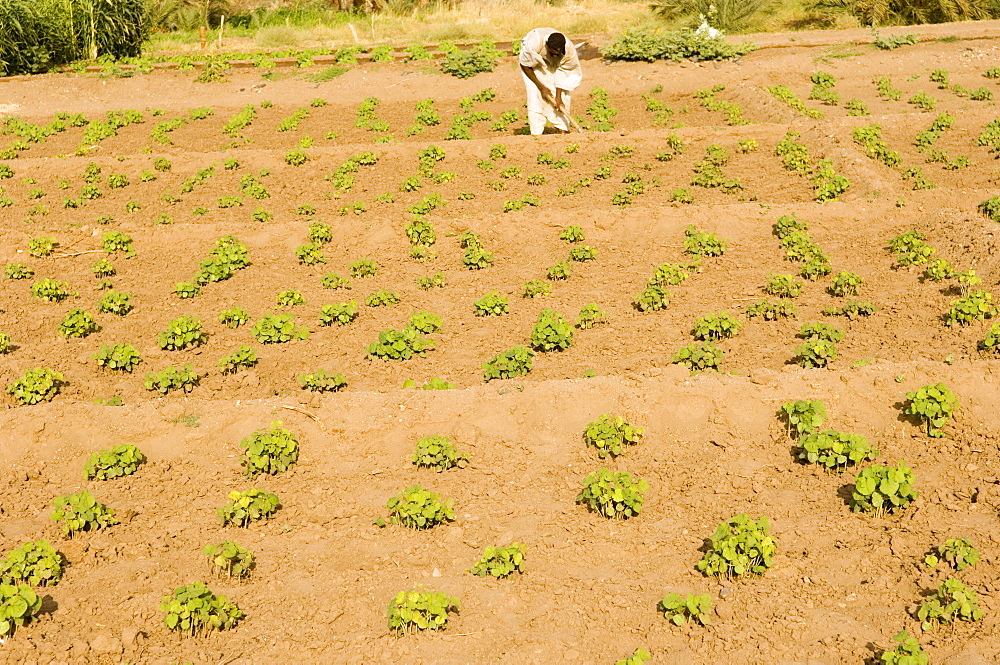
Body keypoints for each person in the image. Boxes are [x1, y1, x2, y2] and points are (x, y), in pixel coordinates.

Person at [518, 28, 582, 136]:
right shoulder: (534, 43)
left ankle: (563, 130)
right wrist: (541, 87)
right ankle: (536, 134)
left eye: (558, 54)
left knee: (563, 98)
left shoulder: (569, 51)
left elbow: (564, 73)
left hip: (556, 66)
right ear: (547, 46)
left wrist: (558, 97)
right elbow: (525, 65)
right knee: (534, 95)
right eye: (552, 53)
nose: (555, 56)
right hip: (532, 65)